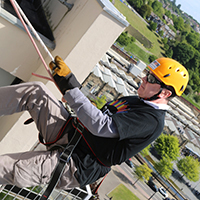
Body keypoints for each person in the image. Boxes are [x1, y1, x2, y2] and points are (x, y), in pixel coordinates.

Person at [0, 56, 189, 190]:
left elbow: (102, 126)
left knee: (4, 166)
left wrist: (71, 89)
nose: (143, 79)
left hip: (76, 164)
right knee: (36, 92)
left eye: (151, 78)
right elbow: (98, 113)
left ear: (165, 93)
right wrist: (71, 85)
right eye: (146, 74)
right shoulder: (135, 100)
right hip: (73, 134)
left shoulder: (151, 121)